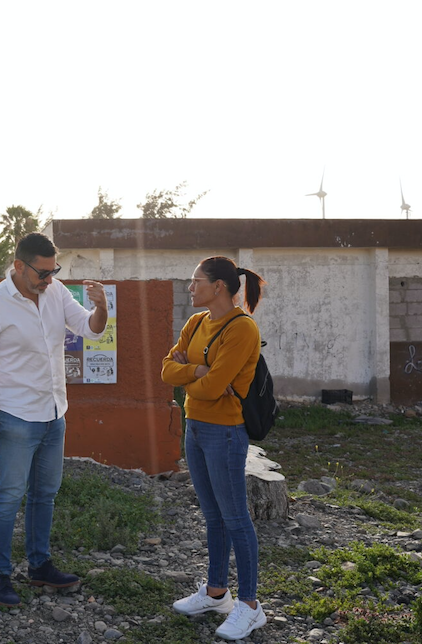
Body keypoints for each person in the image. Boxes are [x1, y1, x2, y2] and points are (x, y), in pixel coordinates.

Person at [0, 232, 108, 607]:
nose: (49, 279)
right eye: (43, 273)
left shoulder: (56, 292)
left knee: (44, 495)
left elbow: (88, 328)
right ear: (19, 266)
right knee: (9, 496)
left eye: (53, 271)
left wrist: (102, 307)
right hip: (13, 415)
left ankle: (39, 565)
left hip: (53, 413)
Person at [160, 256, 268, 641]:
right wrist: (198, 372)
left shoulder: (242, 329)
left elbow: (210, 386)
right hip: (196, 428)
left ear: (218, 286)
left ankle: (251, 606)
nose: (190, 288)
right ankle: (217, 592)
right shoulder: (196, 323)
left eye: (195, 281)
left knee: (236, 518)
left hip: (225, 432)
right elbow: (166, 370)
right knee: (213, 516)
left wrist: (193, 375)